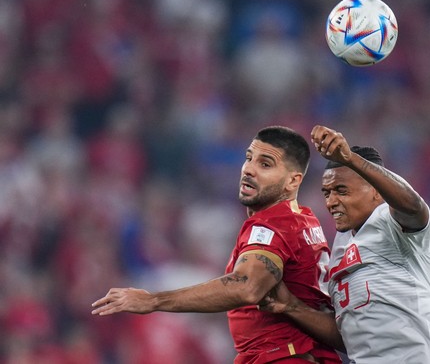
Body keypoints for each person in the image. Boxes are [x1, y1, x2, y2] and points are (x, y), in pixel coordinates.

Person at [92, 126, 341, 364]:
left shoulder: (272, 224)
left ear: (292, 182)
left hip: (283, 357)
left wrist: (153, 301)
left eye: (265, 164)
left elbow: (247, 287)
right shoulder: (305, 221)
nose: (249, 170)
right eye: (249, 158)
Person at [259, 125, 430, 363]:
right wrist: (291, 306)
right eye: (327, 193)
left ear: (375, 192)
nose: (331, 202)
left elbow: (414, 206)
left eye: (341, 190)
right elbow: (351, 334)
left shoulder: (395, 226)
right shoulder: (340, 248)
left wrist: (350, 159)